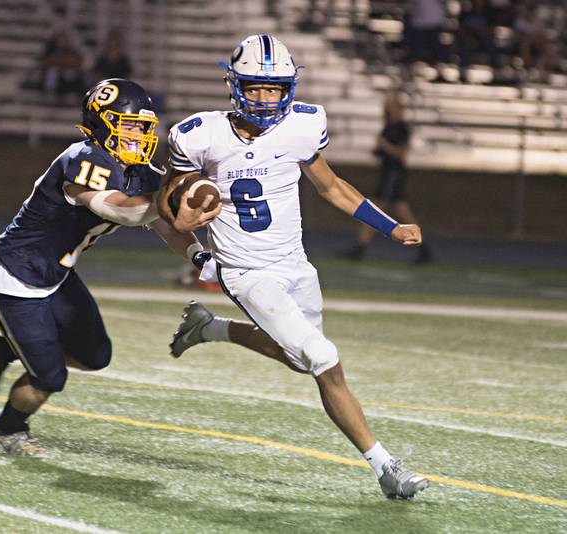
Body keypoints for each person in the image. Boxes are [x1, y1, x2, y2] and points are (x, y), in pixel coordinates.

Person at [157, 35, 430, 500]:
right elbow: (164, 212)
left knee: (297, 359)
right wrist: (192, 244)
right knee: (323, 359)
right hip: (245, 271)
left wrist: (388, 228)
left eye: (274, 88)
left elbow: (332, 187)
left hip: (295, 264)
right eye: (255, 88)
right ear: (234, 84)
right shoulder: (198, 135)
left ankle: (208, 329)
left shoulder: (303, 125)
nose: (265, 98)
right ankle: (386, 467)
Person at [0, 78, 214, 456]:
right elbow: (118, 208)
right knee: (50, 377)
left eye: (143, 126)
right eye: (130, 124)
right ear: (104, 123)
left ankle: (6, 349)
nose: (139, 134)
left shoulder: (139, 171)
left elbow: (164, 223)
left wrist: (199, 256)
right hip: (14, 275)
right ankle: (8, 428)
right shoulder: (82, 158)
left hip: (56, 273)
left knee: (95, 356)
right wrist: (168, 194)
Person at [345, 91, 433, 264]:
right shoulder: (388, 126)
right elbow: (381, 152)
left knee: (375, 210)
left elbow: (401, 154)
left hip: (394, 174)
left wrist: (384, 145)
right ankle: (424, 250)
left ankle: (360, 247)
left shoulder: (401, 128)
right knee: (402, 212)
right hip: (387, 173)